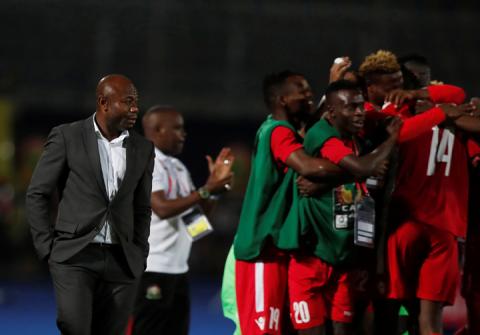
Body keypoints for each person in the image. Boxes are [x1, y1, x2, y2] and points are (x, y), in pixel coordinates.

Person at [26, 74, 154, 335]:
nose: (134, 109)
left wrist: (140, 251)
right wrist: (47, 248)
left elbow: (142, 207)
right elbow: (37, 193)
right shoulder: (67, 136)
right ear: (104, 103)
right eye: (127, 101)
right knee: (75, 327)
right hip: (75, 255)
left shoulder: (143, 148)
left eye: (136, 102)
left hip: (122, 259)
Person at [231, 71, 347, 335]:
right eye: (302, 91)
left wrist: (330, 85)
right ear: (282, 99)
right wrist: (359, 167)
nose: (309, 96)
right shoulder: (278, 132)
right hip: (262, 250)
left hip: (277, 249)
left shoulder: (278, 126)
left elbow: (307, 129)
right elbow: (308, 166)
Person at [286, 80, 402, 335]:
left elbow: (360, 171)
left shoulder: (354, 138)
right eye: (351, 108)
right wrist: (391, 141)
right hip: (312, 257)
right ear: (332, 112)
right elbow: (362, 168)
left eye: (361, 106)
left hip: (344, 257)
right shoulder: (323, 135)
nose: (359, 112)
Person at [131, 105, 234, 335]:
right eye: (177, 128)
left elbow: (196, 223)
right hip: (149, 270)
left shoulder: (178, 167)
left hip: (177, 271)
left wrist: (215, 189)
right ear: (157, 130)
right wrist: (206, 189)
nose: (184, 134)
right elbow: (161, 209)